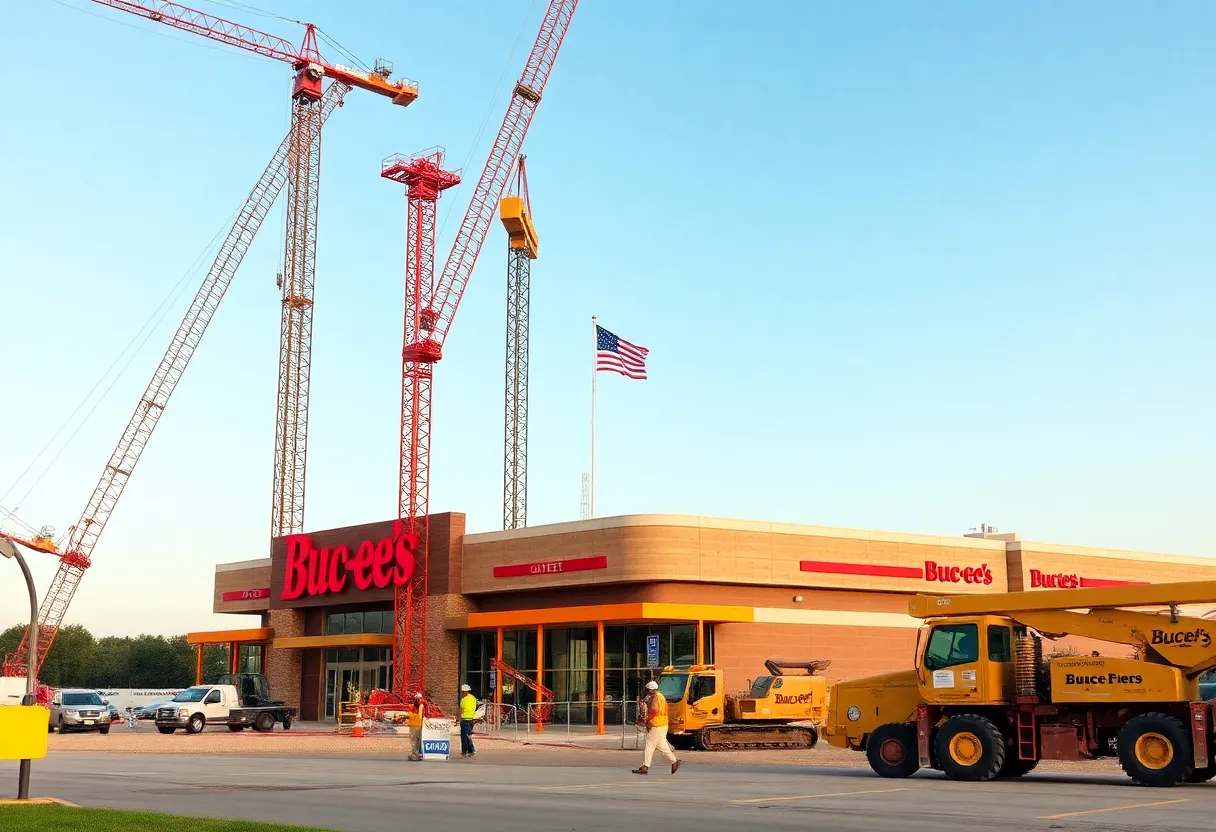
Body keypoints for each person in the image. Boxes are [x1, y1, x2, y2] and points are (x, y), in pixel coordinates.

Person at [633, 680, 679, 775]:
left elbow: (654, 710)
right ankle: (674, 761)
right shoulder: (661, 696)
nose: (647, 692)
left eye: (648, 690)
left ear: (651, 690)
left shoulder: (655, 698)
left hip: (656, 724)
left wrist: (646, 720)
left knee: (649, 745)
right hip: (663, 724)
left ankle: (645, 766)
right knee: (662, 745)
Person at [459, 684, 477, 758]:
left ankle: (466, 751)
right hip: (471, 719)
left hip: (464, 719)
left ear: (464, 691)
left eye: (462, 692)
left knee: (464, 736)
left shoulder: (464, 699)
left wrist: (457, 719)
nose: (462, 693)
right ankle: (470, 751)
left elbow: (461, 710)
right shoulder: (473, 698)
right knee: (468, 735)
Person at [408, 692, 424, 762]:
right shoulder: (417, 706)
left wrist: (410, 715)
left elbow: (419, 716)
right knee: (416, 740)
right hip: (416, 724)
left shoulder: (420, 706)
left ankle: (415, 755)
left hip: (416, 724)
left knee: (414, 740)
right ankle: (416, 754)